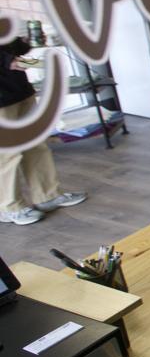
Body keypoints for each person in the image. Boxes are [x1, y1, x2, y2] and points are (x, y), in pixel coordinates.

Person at [0, 37, 86, 225]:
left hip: (20, 90)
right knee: (7, 154)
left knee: (37, 145)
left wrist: (21, 43)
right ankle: (10, 208)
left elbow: (13, 49)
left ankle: (47, 196)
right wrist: (7, 61)